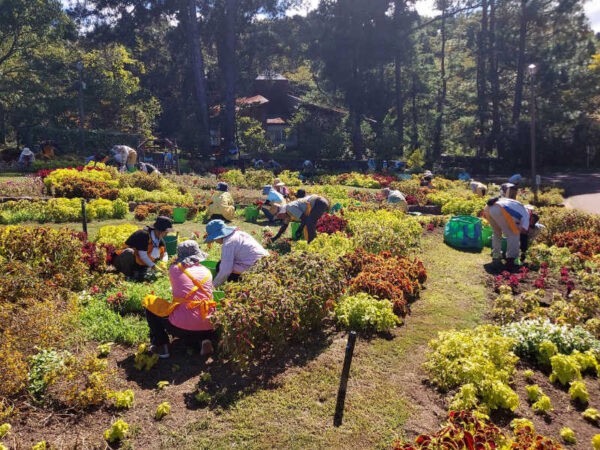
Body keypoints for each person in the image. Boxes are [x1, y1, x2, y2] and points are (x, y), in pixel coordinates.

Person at [142, 240, 216, 359]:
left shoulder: (174, 269)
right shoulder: (207, 271)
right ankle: (204, 339)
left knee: (150, 302)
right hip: (209, 326)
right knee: (199, 313)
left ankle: (161, 346)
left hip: (180, 328)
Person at [204, 219, 269, 288]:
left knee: (220, 267)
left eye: (214, 239)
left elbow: (225, 271)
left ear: (218, 236)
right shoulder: (239, 233)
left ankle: (243, 284)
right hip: (267, 262)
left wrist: (213, 286)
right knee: (222, 264)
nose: (214, 241)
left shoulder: (229, 243)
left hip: (257, 269)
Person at [112, 216, 173, 281]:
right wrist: (153, 266)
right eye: (166, 232)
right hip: (122, 261)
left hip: (139, 263)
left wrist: (163, 263)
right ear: (159, 231)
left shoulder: (159, 239)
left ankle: (135, 274)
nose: (166, 234)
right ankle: (126, 276)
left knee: (143, 277)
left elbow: (165, 254)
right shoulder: (143, 235)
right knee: (128, 252)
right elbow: (143, 255)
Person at [483, 196, 530, 271]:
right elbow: (523, 230)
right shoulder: (527, 214)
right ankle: (511, 260)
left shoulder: (517, 205)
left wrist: (515, 225)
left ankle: (496, 255)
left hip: (488, 208)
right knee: (514, 234)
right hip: (501, 209)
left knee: (496, 232)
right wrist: (517, 228)